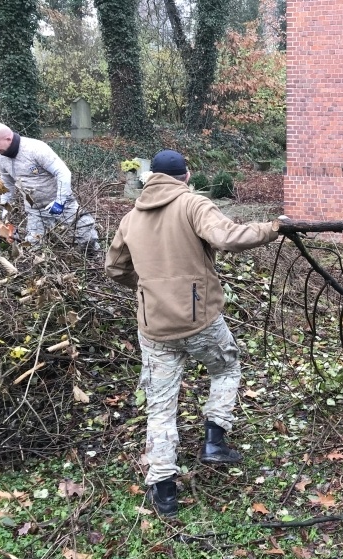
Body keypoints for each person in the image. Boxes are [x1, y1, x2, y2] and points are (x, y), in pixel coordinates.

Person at [105, 149, 283, 517]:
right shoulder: (193, 204)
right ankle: (215, 440)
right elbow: (229, 237)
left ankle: (165, 491)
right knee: (227, 368)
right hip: (200, 321)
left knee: (160, 406)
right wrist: (274, 228)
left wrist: (148, 286)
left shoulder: (130, 218)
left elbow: (115, 268)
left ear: (149, 177)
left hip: (154, 329)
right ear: (185, 176)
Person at [0, 122, 100, 251]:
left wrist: (60, 201)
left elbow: (63, 172)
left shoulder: (35, 149)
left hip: (60, 202)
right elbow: (7, 183)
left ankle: (95, 259)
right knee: (33, 245)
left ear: (8, 139)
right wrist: (5, 207)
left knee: (86, 236)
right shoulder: (1, 158)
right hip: (35, 209)